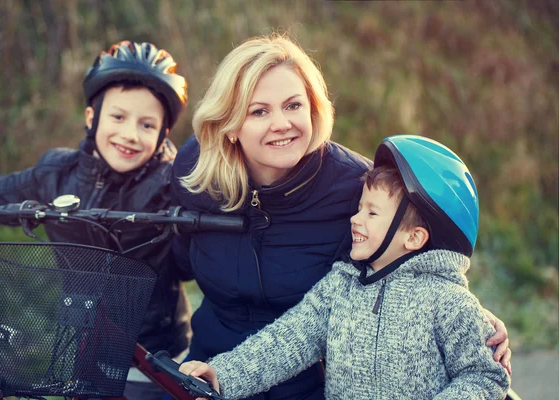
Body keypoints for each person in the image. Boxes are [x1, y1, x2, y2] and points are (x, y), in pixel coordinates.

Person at [171, 34, 511, 400]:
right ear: (231, 126)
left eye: (293, 105)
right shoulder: (196, 170)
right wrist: (221, 375)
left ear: (313, 109)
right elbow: (288, 341)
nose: (282, 123)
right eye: (259, 111)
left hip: (303, 389)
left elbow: (419, 247)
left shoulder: (354, 186)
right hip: (214, 363)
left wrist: (471, 315)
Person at [0, 40, 190, 399]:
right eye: (118, 117)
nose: (130, 134)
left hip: (155, 353)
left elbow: (203, 247)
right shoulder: (55, 175)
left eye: (147, 125)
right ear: (91, 118)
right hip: (79, 345)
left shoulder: (174, 184)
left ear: (163, 134)